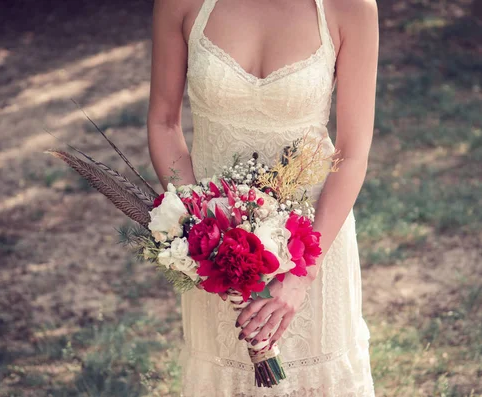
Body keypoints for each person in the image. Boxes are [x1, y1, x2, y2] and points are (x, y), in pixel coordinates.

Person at [147, 0, 379, 395]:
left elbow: (353, 152)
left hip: (315, 242)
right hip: (217, 254)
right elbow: (163, 122)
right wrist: (201, 230)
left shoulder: (350, 7)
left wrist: (302, 277)